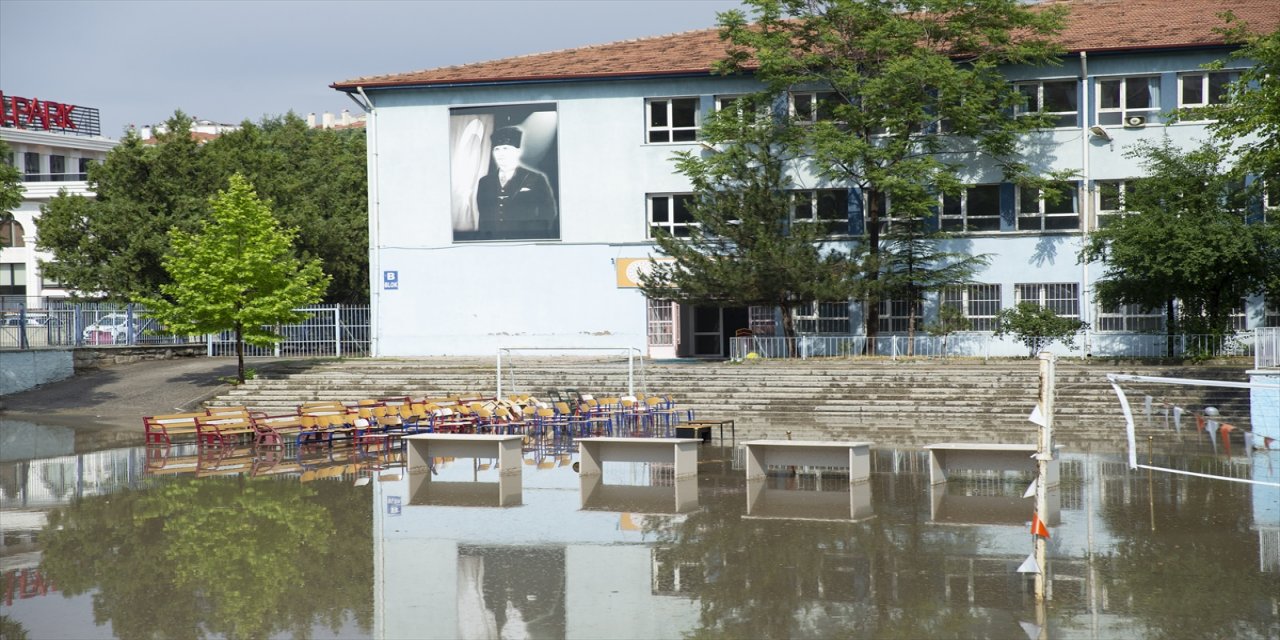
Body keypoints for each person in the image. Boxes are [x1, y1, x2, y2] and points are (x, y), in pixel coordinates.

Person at [475, 126, 558, 239]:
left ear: (517, 152)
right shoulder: (484, 182)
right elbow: (483, 218)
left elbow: (548, 213)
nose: (501, 154)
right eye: (497, 149)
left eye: (506, 148)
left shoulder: (536, 179)